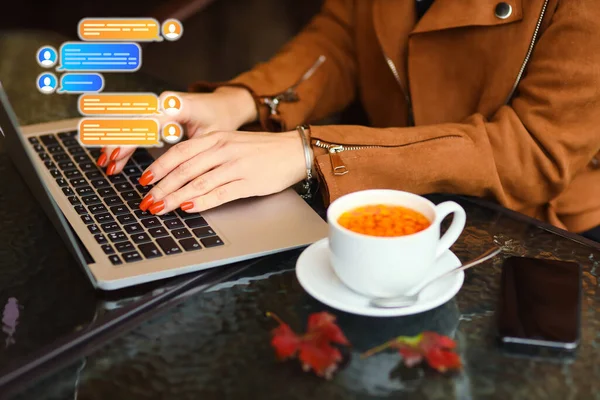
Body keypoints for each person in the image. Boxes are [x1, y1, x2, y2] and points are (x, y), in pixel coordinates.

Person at [98, 0, 600, 239]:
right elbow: (342, 38)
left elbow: (533, 148)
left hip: (531, 235)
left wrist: (316, 151)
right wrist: (239, 101)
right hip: (379, 200)